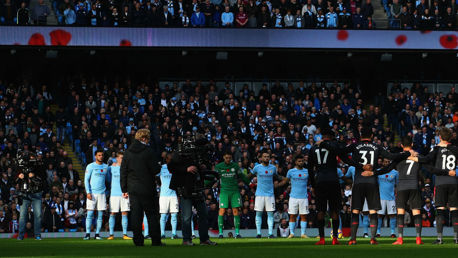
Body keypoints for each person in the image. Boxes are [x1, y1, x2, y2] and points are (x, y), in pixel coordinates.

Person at [343, 126, 411, 245]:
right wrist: (405, 154)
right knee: (373, 211)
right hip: (372, 182)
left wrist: (359, 166)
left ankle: (353, 239)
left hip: (358, 181)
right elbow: (391, 157)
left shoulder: (355, 146)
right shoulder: (377, 147)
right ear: (371, 136)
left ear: (360, 134)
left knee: (355, 211)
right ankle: (372, 238)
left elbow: (343, 155)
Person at [408, 127, 458, 244]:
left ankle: (440, 238)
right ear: (450, 138)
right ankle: (456, 238)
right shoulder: (455, 149)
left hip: (440, 183)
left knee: (440, 210)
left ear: (440, 137)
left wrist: (414, 158)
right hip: (453, 182)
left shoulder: (436, 149)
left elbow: (426, 159)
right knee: (455, 210)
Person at [311, 128, 360, 245]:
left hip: (320, 181)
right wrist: (359, 165)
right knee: (334, 210)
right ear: (332, 137)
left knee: (321, 210)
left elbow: (310, 169)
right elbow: (346, 159)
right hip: (333, 180)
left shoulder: (314, 148)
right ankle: (334, 239)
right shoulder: (335, 146)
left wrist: (313, 185)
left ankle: (322, 238)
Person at [168, 134, 217, 246]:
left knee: (203, 214)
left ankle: (204, 239)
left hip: (197, 186)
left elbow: (201, 166)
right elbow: (171, 167)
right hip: (185, 186)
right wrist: (186, 169)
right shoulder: (180, 152)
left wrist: (203, 167)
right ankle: (186, 240)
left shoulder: (199, 154)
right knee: (186, 216)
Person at [121, 129, 163, 246]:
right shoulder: (148, 151)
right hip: (147, 187)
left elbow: (123, 171)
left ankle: (138, 241)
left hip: (132, 188)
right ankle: (156, 241)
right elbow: (155, 170)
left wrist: (124, 189)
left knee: (136, 215)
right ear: (144, 138)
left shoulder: (128, 152)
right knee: (152, 215)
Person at [392, 137, 425, 245]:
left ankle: (400, 239)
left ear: (401, 145)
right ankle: (418, 238)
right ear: (412, 144)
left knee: (400, 212)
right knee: (416, 211)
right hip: (414, 185)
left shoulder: (399, 157)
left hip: (402, 186)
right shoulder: (417, 155)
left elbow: (396, 167)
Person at [251, 149, 285, 238]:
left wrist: (285, 178)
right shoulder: (257, 167)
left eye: (268, 157)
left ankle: (270, 233)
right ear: (261, 158)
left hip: (270, 194)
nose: (266, 158)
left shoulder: (273, 168)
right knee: (258, 213)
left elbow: (277, 176)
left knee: (270, 214)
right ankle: (258, 233)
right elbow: (250, 176)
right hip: (259, 194)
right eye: (264, 157)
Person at [215, 151, 249, 238]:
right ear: (223, 157)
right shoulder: (219, 167)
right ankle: (220, 233)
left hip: (234, 191)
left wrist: (249, 183)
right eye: (226, 158)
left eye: (229, 158)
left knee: (235, 211)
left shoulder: (235, 166)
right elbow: (213, 177)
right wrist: (207, 183)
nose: (228, 159)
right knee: (222, 211)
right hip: (224, 191)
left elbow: (242, 176)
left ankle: (237, 233)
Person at [17, 152, 44, 240]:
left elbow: (42, 181)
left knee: (38, 215)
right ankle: (20, 236)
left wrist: (33, 177)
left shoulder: (39, 167)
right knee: (22, 215)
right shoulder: (21, 167)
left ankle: (37, 235)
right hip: (25, 193)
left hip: (36, 193)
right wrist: (18, 178)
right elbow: (15, 181)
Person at [84, 149, 109, 240]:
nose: (101, 156)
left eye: (102, 155)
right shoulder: (90, 166)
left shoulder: (106, 167)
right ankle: (87, 234)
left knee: (100, 215)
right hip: (92, 193)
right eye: (99, 155)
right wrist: (88, 192)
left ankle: (97, 234)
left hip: (102, 194)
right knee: (90, 213)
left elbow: (108, 180)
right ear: (95, 156)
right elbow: (86, 180)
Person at [285, 154, 311, 239]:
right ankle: (292, 233)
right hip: (293, 197)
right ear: (295, 162)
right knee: (292, 215)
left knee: (304, 215)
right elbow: (286, 181)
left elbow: (311, 182)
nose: (301, 162)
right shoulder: (291, 172)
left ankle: (303, 234)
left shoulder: (307, 171)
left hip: (304, 197)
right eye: (299, 161)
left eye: (302, 161)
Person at [107, 152, 132, 240]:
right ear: (117, 158)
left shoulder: (127, 168)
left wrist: (127, 191)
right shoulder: (111, 168)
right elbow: (108, 179)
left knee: (125, 213)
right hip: (114, 194)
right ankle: (111, 234)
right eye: (121, 158)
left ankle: (125, 234)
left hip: (124, 193)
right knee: (112, 213)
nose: (123, 159)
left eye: (123, 158)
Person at [157, 154, 179, 239]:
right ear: (166, 159)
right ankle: (162, 234)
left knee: (174, 215)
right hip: (164, 195)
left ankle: (174, 234)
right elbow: (155, 175)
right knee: (163, 215)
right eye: (170, 158)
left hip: (173, 194)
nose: (171, 160)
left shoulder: (175, 168)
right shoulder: (161, 168)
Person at [376, 158, 398, 238]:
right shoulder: (378, 172)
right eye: (385, 162)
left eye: (389, 162)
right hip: (381, 198)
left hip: (391, 198)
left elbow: (397, 185)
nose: (387, 163)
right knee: (379, 215)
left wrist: (396, 195)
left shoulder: (395, 173)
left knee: (392, 215)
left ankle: (392, 232)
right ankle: (378, 232)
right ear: (382, 163)